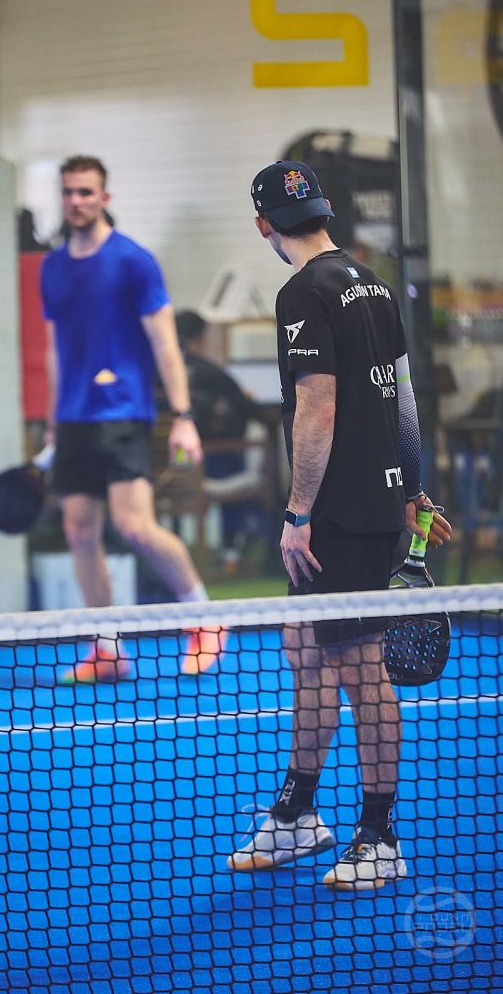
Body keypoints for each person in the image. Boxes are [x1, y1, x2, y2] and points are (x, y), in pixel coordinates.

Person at [227, 160, 452, 889]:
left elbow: (315, 409)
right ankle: (297, 814)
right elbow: (403, 398)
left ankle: (379, 836)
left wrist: (298, 513)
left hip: (340, 517)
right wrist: (411, 489)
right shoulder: (375, 285)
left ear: (264, 225)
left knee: (360, 670)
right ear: (322, 211)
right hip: (372, 504)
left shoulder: (301, 293)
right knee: (305, 651)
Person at [40, 155, 223, 682]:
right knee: (79, 531)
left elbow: (166, 344)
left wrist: (183, 417)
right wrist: (53, 420)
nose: (76, 201)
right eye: (69, 192)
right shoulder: (52, 268)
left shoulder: (134, 261)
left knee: (134, 526)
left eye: (86, 192)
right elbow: (55, 349)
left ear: (105, 198)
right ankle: (107, 649)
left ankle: (205, 619)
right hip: (73, 419)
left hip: (124, 413)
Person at [171, 310, 270, 572]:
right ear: (200, 338)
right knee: (235, 459)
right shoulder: (210, 373)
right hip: (208, 468)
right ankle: (232, 549)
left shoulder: (160, 374)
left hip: (168, 472)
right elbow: (249, 408)